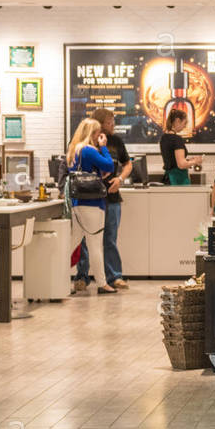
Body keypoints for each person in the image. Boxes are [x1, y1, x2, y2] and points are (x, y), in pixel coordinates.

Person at [75, 109, 133, 291]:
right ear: (99, 124)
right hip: (88, 197)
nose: (113, 125)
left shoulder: (116, 142)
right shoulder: (84, 144)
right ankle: (82, 276)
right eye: (110, 122)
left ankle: (114, 276)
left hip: (112, 197)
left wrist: (120, 179)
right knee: (84, 239)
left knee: (110, 238)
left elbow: (128, 164)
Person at [66, 117, 118, 296]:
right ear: (91, 133)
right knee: (95, 244)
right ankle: (103, 284)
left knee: (72, 243)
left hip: (78, 203)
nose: (99, 137)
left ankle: (56, 277)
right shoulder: (88, 149)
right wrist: (103, 147)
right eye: (97, 133)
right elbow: (109, 164)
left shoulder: (74, 150)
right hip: (92, 204)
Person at [159, 108, 203, 184]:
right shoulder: (177, 139)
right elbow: (181, 165)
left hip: (168, 178)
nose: (185, 126)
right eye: (184, 123)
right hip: (178, 179)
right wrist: (195, 161)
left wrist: (190, 160)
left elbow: (173, 161)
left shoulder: (164, 138)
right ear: (178, 121)